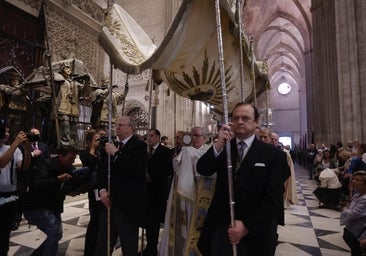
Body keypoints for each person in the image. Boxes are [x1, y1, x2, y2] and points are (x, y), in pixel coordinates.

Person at [196, 102, 284, 256]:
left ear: (257, 122)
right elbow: (203, 169)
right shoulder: (225, 148)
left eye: (245, 118)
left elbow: (273, 198)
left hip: (255, 231)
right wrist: (218, 144)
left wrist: (246, 226)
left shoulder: (272, 155)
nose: (240, 122)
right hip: (222, 226)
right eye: (236, 118)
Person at [95, 116, 148, 256]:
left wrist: (116, 154)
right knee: (103, 244)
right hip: (108, 203)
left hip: (127, 206)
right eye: (116, 124)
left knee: (128, 246)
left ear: (131, 128)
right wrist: (101, 190)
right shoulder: (111, 145)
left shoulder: (139, 146)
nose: (117, 127)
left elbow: (136, 170)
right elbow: (101, 172)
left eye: (121, 125)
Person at [159, 127, 212, 256]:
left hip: (203, 196)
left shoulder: (209, 152)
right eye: (192, 135)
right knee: (185, 228)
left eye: (197, 136)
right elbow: (177, 171)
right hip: (186, 198)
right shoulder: (185, 151)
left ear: (204, 138)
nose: (194, 138)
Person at [22, 145, 79, 256]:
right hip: (37, 205)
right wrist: (58, 179)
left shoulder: (69, 168)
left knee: (57, 234)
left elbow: (65, 187)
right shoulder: (45, 164)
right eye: (70, 159)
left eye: (73, 159)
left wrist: (71, 190)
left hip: (53, 204)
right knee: (53, 231)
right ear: (61, 157)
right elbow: (38, 185)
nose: (72, 162)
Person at [0, 125, 31, 256]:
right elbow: (1, 163)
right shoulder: (12, 148)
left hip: (10, 199)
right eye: (4, 131)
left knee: (4, 237)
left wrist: (27, 150)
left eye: (8, 131)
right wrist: (15, 144)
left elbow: (23, 167)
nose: (7, 134)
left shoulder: (13, 149)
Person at [142, 129, 174, 256]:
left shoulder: (165, 152)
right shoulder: (144, 152)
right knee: (148, 223)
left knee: (154, 224)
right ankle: (150, 247)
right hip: (145, 193)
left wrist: (152, 177)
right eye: (147, 136)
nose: (149, 138)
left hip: (158, 193)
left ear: (158, 137)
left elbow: (168, 171)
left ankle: (152, 248)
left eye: (151, 136)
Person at [80, 129, 102, 256]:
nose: (99, 142)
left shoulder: (100, 152)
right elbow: (89, 163)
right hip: (93, 188)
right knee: (95, 219)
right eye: (97, 139)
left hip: (101, 187)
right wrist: (92, 149)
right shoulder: (85, 153)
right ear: (89, 142)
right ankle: (89, 250)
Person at [55, 62, 83, 145]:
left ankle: (73, 143)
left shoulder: (75, 82)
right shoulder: (60, 80)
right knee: (65, 124)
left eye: (69, 68)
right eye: (66, 68)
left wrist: (87, 81)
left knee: (74, 127)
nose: (68, 70)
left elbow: (84, 92)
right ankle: (64, 142)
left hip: (73, 108)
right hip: (63, 107)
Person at [340, 170, 366, 256]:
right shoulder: (358, 194)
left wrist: (344, 209)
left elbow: (352, 214)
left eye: (358, 180)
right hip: (353, 231)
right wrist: (351, 190)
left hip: (359, 234)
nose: (354, 181)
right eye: (353, 179)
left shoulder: (365, 199)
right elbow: (350, 205)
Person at [0, 72, 29, 139]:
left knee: (16, 130)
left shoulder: (22, 90)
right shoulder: (6, 87)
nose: (15, 82)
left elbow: (27, 101)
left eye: (17, 80)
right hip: (9, 112)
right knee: (7, 129)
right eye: (14, 80)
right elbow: (7, 92)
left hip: (19, 113)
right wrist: (19, 86)